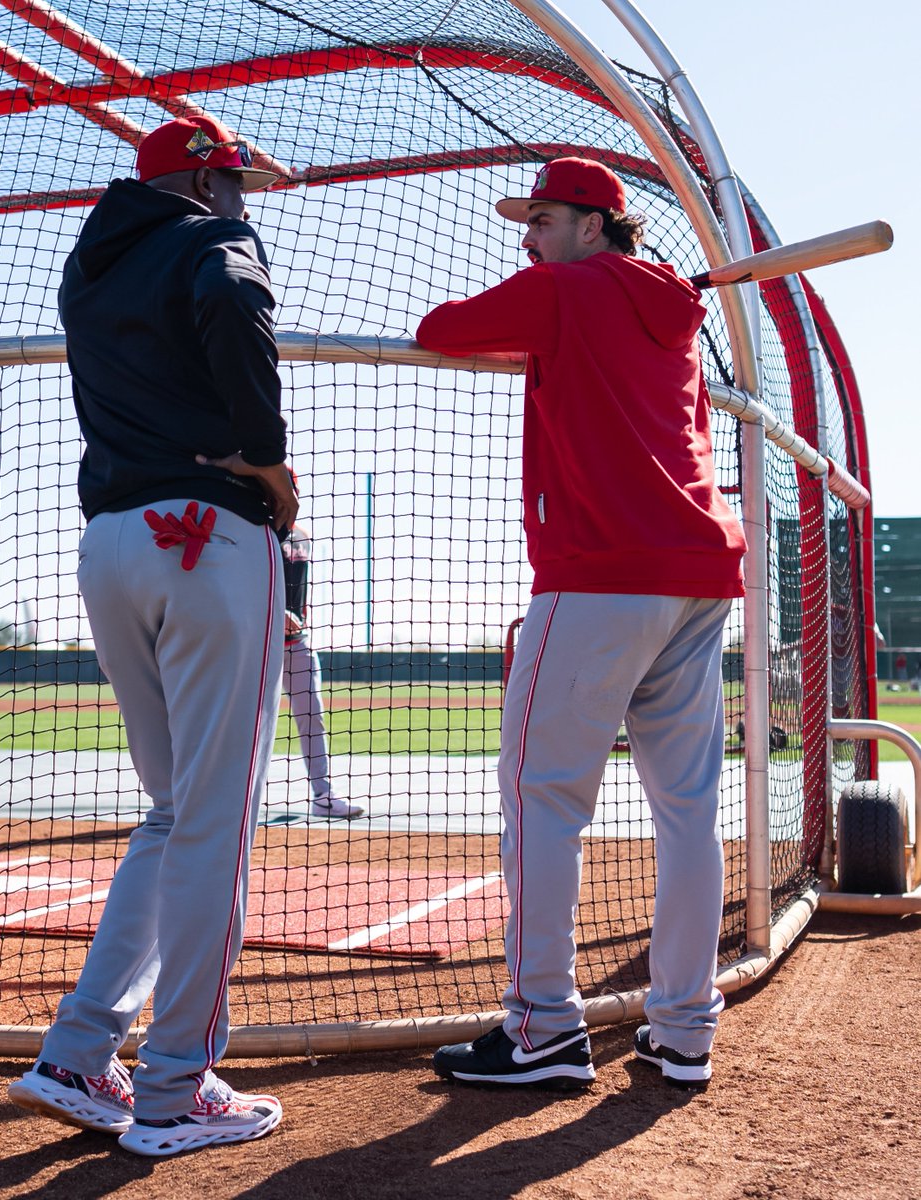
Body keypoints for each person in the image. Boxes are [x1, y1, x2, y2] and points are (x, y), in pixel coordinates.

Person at [416, 157, 747, 1090]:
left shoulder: (562, 289)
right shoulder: (678, 316)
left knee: (541, 797)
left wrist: (554, 310)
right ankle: (684, 1029)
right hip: (699, 574)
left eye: (546, 220)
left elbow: (439, 331)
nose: (529, 237)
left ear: (594, 225)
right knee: (687, 811)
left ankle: (543, 1027)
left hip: (601, 574)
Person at [7, 114, 298, 1156]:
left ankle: (81, 1053)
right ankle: (175, 1091)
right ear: (208, 177)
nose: (248, 196)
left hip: (112, 545)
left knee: (173, 814)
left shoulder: (91, 264)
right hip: (209, 534)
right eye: (239, 179)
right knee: (213, 821)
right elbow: (231, 301)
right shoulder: (210, 237)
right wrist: (266, 459)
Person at [281, 522, 364, 819]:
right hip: (257, 644)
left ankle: (323, 796)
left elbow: (298, 587)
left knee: (312, 717)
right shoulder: (252, 527)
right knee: (246, 724)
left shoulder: (301, 536)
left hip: (297, 642)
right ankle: (233, 799)